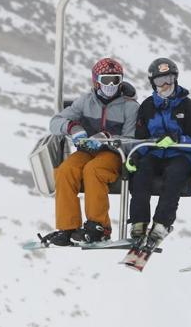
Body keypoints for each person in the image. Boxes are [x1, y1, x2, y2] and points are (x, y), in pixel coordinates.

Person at [45, 58, 139, 246]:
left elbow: (131, 141)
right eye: (106, 80)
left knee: (94, 171)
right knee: (65, 171)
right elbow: (55, 123)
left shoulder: (130, 106)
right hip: (87, 151)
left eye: (116, 80)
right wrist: (72, 128)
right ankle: (68, 227)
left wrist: (107, 138)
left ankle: (99, 227)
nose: (111, 85)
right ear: (96, 81)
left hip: (113, 154)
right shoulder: (85, 101)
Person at [125, 58, 191, 247]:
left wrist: (178, 139)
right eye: (160, 81)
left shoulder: (187, 106)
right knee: (142, 170)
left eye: (169, 78)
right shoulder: (147, 106)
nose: (166, 84)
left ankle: (162, 223)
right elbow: (142, 137)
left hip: (182, 155)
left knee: (175, 173)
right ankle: (139, 222)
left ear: (175, 78)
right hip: (156, 154)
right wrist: (136, 154)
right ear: (153, 83)